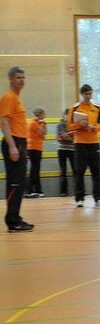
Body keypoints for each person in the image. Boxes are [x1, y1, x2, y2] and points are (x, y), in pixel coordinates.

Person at [0, 67, 34, 232]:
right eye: (18, 77)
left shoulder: (16, 98)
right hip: (14, 143)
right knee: (15, 183)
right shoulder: (9, 97)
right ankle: (12, 221)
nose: (22, 80)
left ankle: (15, 218)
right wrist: (12, 146)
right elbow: (4, 122)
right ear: (11, 79)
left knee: (20, 183)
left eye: (23, 77)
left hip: (20, 142)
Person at [68, 84, 100, 208]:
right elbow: (69, 126)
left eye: (90, 93)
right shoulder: (74, 108)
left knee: (96, 171)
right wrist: (80, 125)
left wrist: (93, 127)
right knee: (79, 172)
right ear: (82, 94)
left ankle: (99, 198)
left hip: (94, 143)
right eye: (86, 94)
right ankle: (80, 198)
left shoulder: (97, 108)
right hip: (80, 143)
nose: (88, 96)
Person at [25, 107, 47, 198]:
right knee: (34, 169)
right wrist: (44, 124)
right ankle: (30, 190)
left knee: (35, 169)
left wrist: (43, 125)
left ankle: (35, 190)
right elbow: (42, 133)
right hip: (33, 148)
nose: (45, 115)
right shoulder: (33, 123)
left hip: (38, 148)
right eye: (44, 113)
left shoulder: (38, 123)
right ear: (39, 114)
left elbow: (44, 133)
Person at [57, 108, 75, 196]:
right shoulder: (60, 124)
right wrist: (68, 136)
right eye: (66, 115)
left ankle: (78, 191)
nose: (67, 116)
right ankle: (63, 191)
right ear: (64, 115)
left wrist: (66, 136)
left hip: (72, 150)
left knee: (76, 170)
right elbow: (60, 137)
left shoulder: (73, 124)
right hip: (62, 150)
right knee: (63, 171)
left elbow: (74, 137)